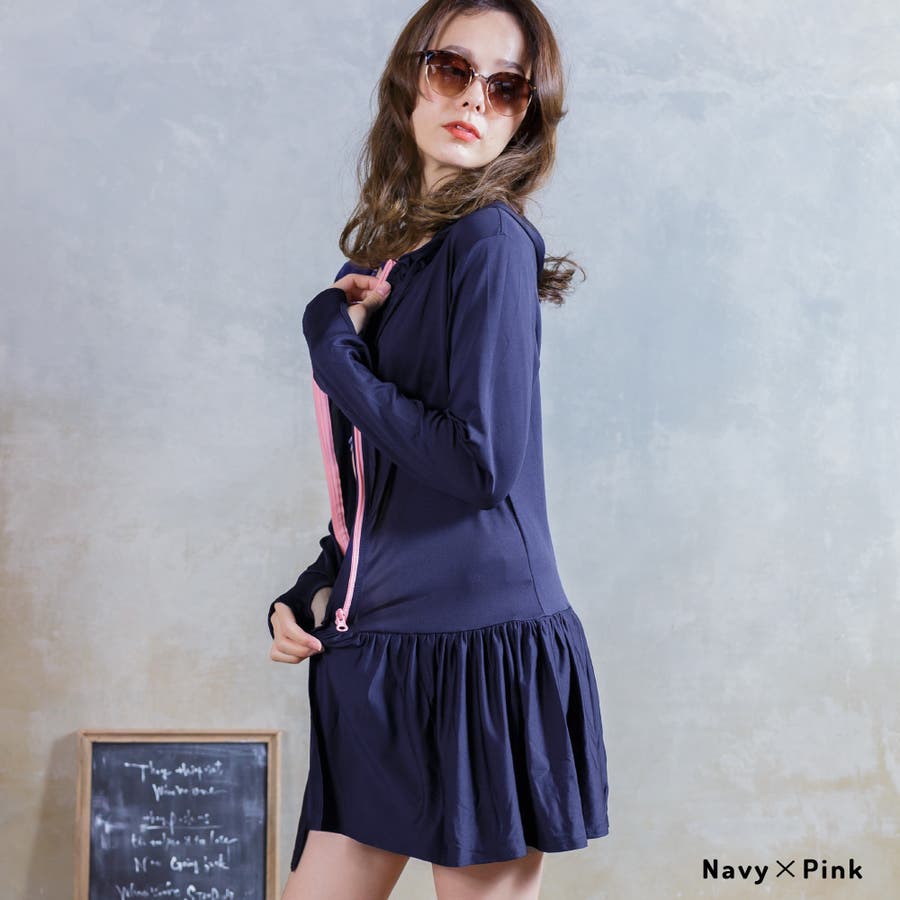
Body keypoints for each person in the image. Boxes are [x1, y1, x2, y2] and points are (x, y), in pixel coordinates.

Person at [267, 2, 610, 897]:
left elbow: (476, 465)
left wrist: (331, 348)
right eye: (452, 69)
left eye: (507, 87)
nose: (475, 100)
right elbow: (381, 474)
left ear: (526, 115)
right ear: (409, 77)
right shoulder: (391, 260)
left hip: (480, 659)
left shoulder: (490, 242)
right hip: (376, 650)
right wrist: (315, 584)